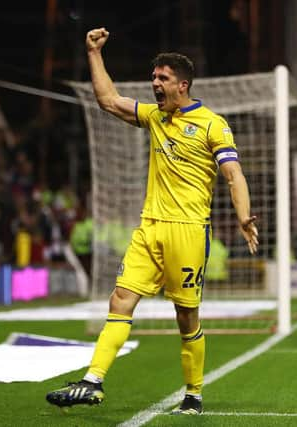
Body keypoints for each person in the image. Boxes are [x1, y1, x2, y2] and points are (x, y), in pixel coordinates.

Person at [46, 27, 258, 415]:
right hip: (150, 227)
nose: (155, 83)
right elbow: (108, 100)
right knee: (121, 298)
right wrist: (93, 53)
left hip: (189, 231)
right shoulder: (155, 117)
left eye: (162, 78)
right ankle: (93, 381)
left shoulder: (213, 124)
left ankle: (193, 394)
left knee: (186, 315)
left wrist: (244, 215)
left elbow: (233, 174)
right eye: (154, 77)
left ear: (183, 84)